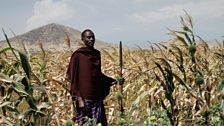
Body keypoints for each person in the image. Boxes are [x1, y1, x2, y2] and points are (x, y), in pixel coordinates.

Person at [67, 29, 119, 125]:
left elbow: (97, 75)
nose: (91, 39)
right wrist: (78, 98)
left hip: (96, 97)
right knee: (84, 123)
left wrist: (114, 81)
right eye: (88, 37)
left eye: (93, 37)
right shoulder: (77, 55)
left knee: (97, 123)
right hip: (83, 99)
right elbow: (72, 78)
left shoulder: (96, 54)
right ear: (83, 39)